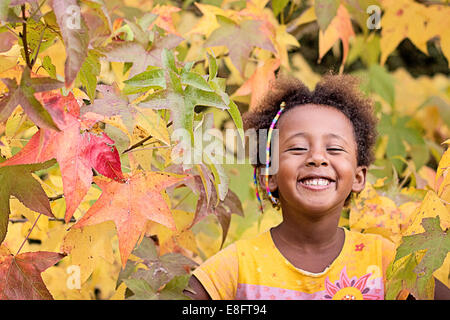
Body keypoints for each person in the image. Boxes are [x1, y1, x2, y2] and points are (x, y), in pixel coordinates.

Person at [184, 73, 449, 300]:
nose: (317, 158)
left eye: (334, 149)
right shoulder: (237, 267)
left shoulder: (384, 260)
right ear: (270, 176)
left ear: (358, 177)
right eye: (298, 148)